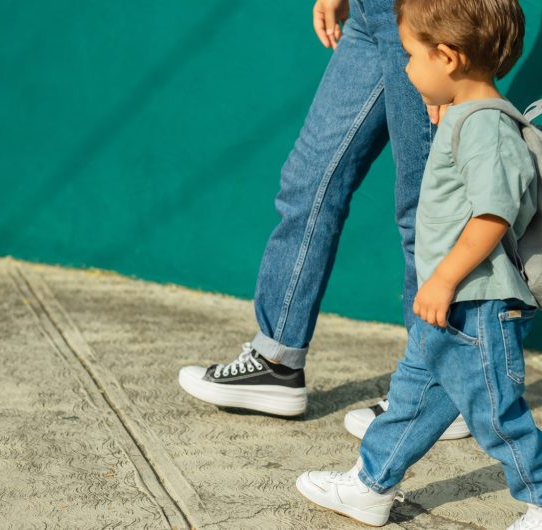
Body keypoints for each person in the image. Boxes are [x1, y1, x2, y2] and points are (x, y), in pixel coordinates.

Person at [295, 0, 542, 528]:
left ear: (449, 58)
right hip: (455, 308)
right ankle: (371, 485)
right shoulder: (470, 117)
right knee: (411, 400)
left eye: (411, 55)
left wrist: (444, 279)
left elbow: (493, 214)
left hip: (477, 306)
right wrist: (448, 105)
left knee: (497, 417)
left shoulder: (486, 130)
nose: (404, 69)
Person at [177, 0, 470, 439]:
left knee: (426, 209)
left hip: (430, 12)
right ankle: (276, 362)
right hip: (373, 13)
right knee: (308, 182)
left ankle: (440, 389)